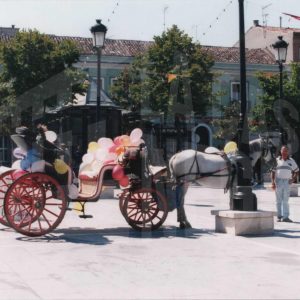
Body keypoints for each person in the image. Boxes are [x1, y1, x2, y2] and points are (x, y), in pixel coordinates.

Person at [271, 145, 299, 222]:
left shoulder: (291, 161)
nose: (284, 152)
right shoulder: (276, 160)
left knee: (285, 200)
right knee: (278, 200)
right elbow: (273, 172)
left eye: (286, 151)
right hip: (278, 181)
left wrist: (293, 179)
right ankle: (279, 216)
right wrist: (273, 183)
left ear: (288, 152)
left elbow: (297, 171)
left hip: (287, 182)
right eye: (283, 151)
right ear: (281, 151)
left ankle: (286, 217)